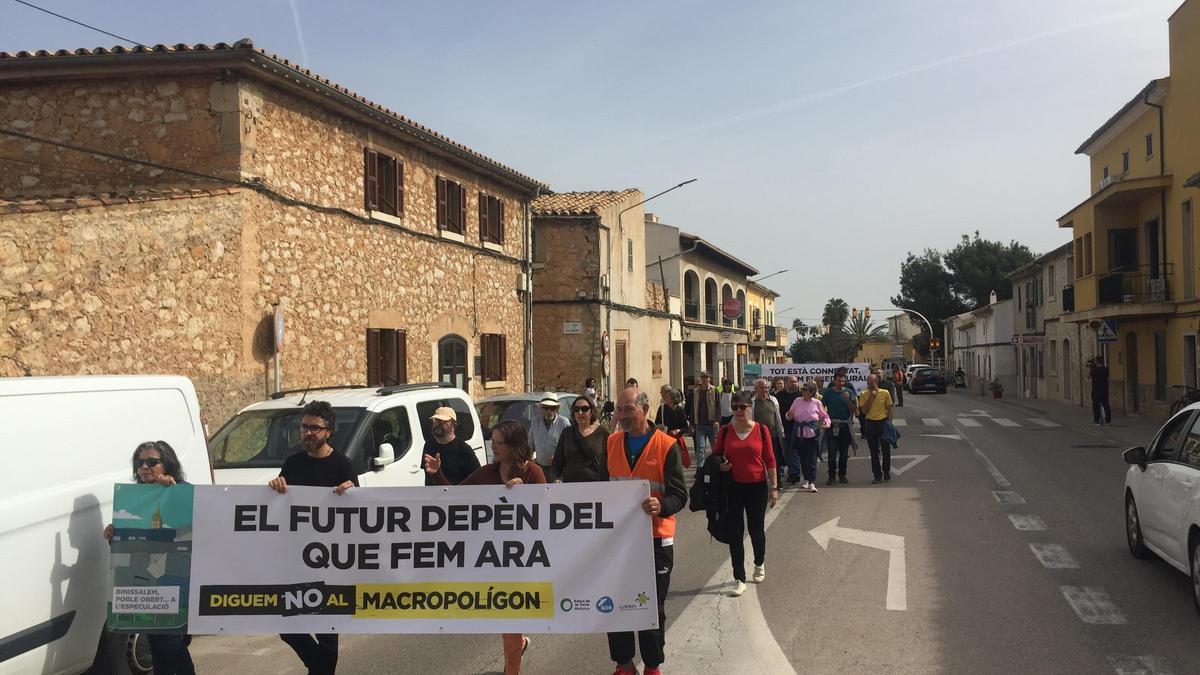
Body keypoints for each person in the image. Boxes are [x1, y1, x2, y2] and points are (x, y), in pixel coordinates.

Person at [426, 420, 544, 675]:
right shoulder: (487, 473)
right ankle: (517, 647)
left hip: (525, 559)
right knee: (507, 620)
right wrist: (437, 474)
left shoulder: (532, 472)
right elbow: (457, 496)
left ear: (514, 445)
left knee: (512, 619)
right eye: (494, 441)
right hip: (494, 559)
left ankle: (512, 665)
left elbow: (552, 511)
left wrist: (530, 495)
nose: (494, 446)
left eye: (499, 442)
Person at [268, 400, 357, 675]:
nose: (307, 433)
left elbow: (359, 514)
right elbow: (280, 504)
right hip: (296, 559)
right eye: (304, 427)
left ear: (329, 431)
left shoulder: (343, 465)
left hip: (331, 562)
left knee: (327, 633)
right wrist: (275, 486)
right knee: (287, 626)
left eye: (314, 428)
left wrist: (353, 491)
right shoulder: (292, 463)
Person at [604, 387, 688, 675]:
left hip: (655, 538)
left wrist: (661, 505)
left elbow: (680, 495)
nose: (623, 416)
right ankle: (623, 664)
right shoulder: (612, 442)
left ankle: (652, 666)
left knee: (651, 606)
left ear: (645, 409)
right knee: (617, 602)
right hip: (618, 540)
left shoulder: (666, 445)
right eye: (619, 410)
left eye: (628, 409)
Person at [103, 441, 194, 675]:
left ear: (167, 464)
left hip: (176, 578)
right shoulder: (137, 499)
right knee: (158, 643)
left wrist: (174, 492)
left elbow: (191, 529)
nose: (145, 467)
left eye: (152, 462)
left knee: (170, 642)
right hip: (149, 581)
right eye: (140, 462)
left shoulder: (183, 490)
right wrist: (116, 535)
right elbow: (135, 546)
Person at [713, 392, 777, 597]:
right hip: (732, 488)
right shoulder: (725, 431)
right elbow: (715, 458)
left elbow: (770, 459)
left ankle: (759, 563)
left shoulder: (762, 430)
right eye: (735, 407)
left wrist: (774, 488)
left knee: (756, 530)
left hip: (757, 486)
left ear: (750, 408)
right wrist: (720, 466)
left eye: (743, 407)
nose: (739, 411)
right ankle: (739, 578)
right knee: (735, 534)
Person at [552, 395, 609, 483]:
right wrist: (556, 478)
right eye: (576, 409)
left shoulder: (602, 433)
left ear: (591, 412)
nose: (580, 412)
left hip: (596, 488)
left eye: (584, 409)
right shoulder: (567, 433)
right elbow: (557, 462)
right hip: (571, 488)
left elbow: (610, 461)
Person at [786, 383, 831, 492]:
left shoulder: (817, 403)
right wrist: (789, 415)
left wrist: (826, 423)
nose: (803, 391)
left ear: (812, 392)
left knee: (811, 459)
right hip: (799, 434)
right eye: (802, 389)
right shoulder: (797, 401)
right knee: (802, 458)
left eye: (805, 390)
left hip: (812, 435)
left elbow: (825, 416)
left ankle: (811, 482)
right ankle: (806, 479)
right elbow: (789, 415)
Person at [422, 406, 481, 486]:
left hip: (456, 496)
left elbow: (478, 477)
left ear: (453, 425)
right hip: (432, 496)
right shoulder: (429, 445)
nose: (437, 424)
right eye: (435, 420)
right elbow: (427, 477)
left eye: (442, 421)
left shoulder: (464, 449)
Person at [821, 372, 858, 486]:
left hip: (845, 426)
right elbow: (821, 407)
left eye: (843, 381)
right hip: (832, 426)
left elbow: (854, 410)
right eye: (839, 381)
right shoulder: (828, 393)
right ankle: (831, 476)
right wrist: (825, 419)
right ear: (834, 381)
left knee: (843, 453)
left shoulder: (849, 392)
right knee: (832, 453)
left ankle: (842, 475)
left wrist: (847, 400)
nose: (841, 383)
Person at [858, 375, 895, 484]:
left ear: (876, 382)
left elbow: (889, 409)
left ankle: (886, 471)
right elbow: (864, 411)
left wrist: (890, 423)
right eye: (868, 383)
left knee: (886, 450)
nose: (870, 385)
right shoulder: (864, 394)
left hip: (883, 422)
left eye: (872, 383)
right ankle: (877, 475)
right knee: (874, 451)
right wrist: (871, 397)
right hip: (870, 423)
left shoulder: (885, 393)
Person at [750, 378, 785, 485]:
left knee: (774, 459)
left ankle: (777, 481)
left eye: (766, 387)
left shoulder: (773, 400)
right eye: (762, 388)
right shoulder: (752, 402)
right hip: (758, 436)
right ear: (756, 389)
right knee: (758, 460)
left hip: (773, 435)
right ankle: (760, 481)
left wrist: (781, 431)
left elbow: (778, 417)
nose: (764, 390)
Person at [529, 393, 570, 477]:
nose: (549, 411)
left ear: (557, 409)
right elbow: (530, 444)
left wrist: (559, 457)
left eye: (552, 408)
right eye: (546, 408)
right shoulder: (535, 422)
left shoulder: (564, 422)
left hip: (558, 469)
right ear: (541, 409)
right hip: (539, 468)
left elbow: (570, 446)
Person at [773, 376, 804, 484]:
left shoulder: (800, 396)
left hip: (799, 429)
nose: (794, 383)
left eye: (795, 382)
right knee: (785, 452)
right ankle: (789, 471)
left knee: (794, 451)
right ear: (786, 383)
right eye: (791, 382)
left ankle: (794, 473)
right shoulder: (779, 396)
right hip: (783, 428)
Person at [685, 371, 719, 467]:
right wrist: (691, 423)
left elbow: (718, 406)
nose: (704, 379)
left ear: (709, 379)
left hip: (712, 424)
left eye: (706, 377)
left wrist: (717, 420)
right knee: (700, 447)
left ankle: (717, 466)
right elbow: (693, 408)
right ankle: (700, 468)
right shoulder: (695, 392)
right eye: (703, 377)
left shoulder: (714, 390)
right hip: (699, 424)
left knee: (715, 447)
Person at [1089, 357, 1111, 426]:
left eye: (1095, 361)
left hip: (1096, 390)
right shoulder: (1106, 370)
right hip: (1104, 390)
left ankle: (1096, 421)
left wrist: (1091, 368)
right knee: (1106, 405)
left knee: (1096, 406)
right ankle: (1108, 420)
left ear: (1097, 362)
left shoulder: (1094, 371)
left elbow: (1088, 376)